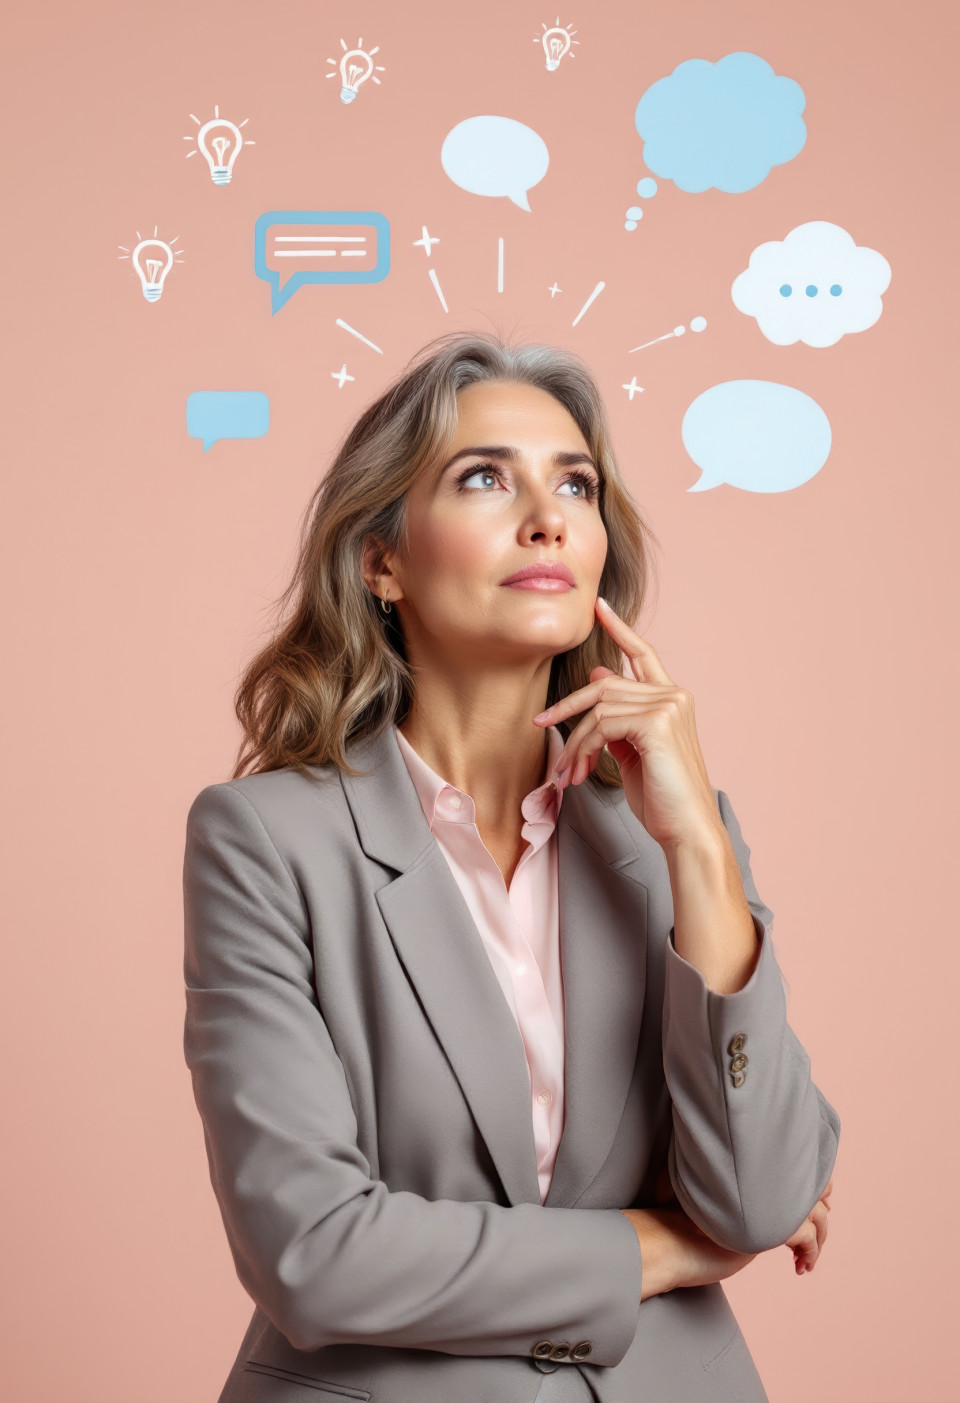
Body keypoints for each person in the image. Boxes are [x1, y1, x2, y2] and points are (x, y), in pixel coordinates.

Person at [182, 330, 840, 1403]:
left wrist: (702, 853)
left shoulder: (675, 830)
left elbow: (761, 1197)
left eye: (573, 484)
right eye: (485, 476)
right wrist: (664, 1247)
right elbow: (313, 1251)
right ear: (379, 559)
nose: (546, 514)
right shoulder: (263, 840)